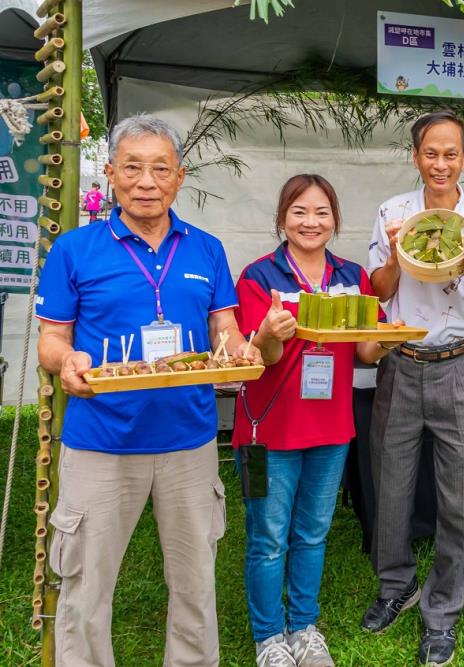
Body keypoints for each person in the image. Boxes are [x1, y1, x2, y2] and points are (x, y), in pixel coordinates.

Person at [35, 114, 265, 667]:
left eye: (160, 168)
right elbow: (51, 339)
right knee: (86, 589)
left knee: (194, 587)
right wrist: (68, 361)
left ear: (179, 177)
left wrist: (237, 347)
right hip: (100, 442)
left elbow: (223, 327)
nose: (146, 181)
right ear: (111, 174)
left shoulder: (206, 250)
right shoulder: (75, 249)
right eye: (133, 168)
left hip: (188, 440)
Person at [362, 109, 464, 666]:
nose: (441, 164)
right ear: (416, 156)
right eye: (431, 153)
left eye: (451, 153)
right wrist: (400, 252)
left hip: (462, 366)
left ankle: (444, 610)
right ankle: (395, 586)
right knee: (392, 486)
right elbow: (378, 293)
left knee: (461, 497)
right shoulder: (392, 213)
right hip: (400, 362)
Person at [234, 174, 397, 666]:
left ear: (335, 220)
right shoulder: (259, 276)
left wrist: (392, 338)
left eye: (321, 212)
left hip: (331, 427)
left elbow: (366, 352)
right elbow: (256, 358)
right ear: (283, 218)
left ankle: (303, 627)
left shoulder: (353, 277)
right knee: (268, 537)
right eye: (299, 211)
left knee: (312, 533)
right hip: (269, 430)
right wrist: (267, 333)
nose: (311, 221)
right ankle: (269, 637)